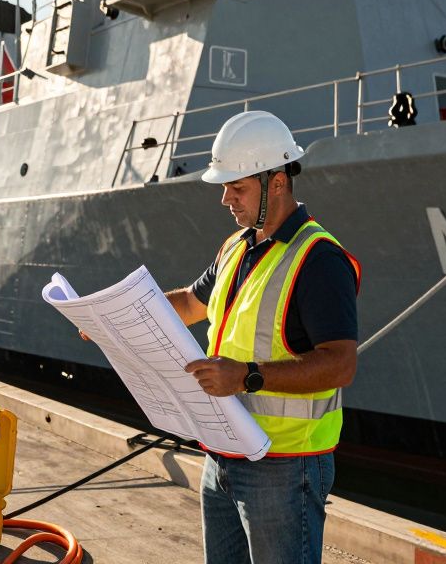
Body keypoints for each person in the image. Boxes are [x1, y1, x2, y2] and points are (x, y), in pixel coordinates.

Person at [170, 111, 360, 564]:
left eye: (237, 187)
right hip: (223, 455)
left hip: (285, 466)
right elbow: (192, 304)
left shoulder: (319, 259)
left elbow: (340, 364)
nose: (225, 198)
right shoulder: (237, 245)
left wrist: (246, 377)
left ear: (277, 182)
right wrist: (113, 315)